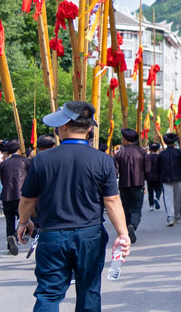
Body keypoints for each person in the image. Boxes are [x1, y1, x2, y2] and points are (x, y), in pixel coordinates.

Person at [16, 101, 130, 311]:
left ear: (63, 126)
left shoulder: (42, 160)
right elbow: (112, 200)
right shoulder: (103, 160)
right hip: (90, 235)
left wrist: (23, 222)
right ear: (89, 128)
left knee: (48, 294)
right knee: (89, 292)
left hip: (52, 235)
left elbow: (27, 199)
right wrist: (123, 234)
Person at [113, 128, 146, 244]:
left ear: (126, 140)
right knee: (136, 208)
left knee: (125, 208)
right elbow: (147, 168)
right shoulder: (141, 152)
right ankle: (133, 225)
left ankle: (127, 229)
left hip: (124, 184)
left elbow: (115, 171)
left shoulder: (119, 154)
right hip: (138, 184)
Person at [1, 139, 27, 255]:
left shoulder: (3, 164)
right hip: (21, 196)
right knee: (24, 220)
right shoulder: (25, 161)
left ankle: (10, 245)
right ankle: (17, 235)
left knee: (9, 222)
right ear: (19, 149)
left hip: (6, 196)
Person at [159, 133, 181, 226]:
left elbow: (157, 167)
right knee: (177, 197)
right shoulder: (179, 152)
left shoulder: (162, 154)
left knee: (168, 198)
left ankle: (170, 217)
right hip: (178, 178)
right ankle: (177, 214)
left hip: (165, 179)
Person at [145, 142, 163, 211]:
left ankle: (151, 205)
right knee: (158, 190)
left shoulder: (147, 157)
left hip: (149, 177)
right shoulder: (159, 157)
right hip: (157, 176)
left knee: (150, 191)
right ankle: (157, 198)